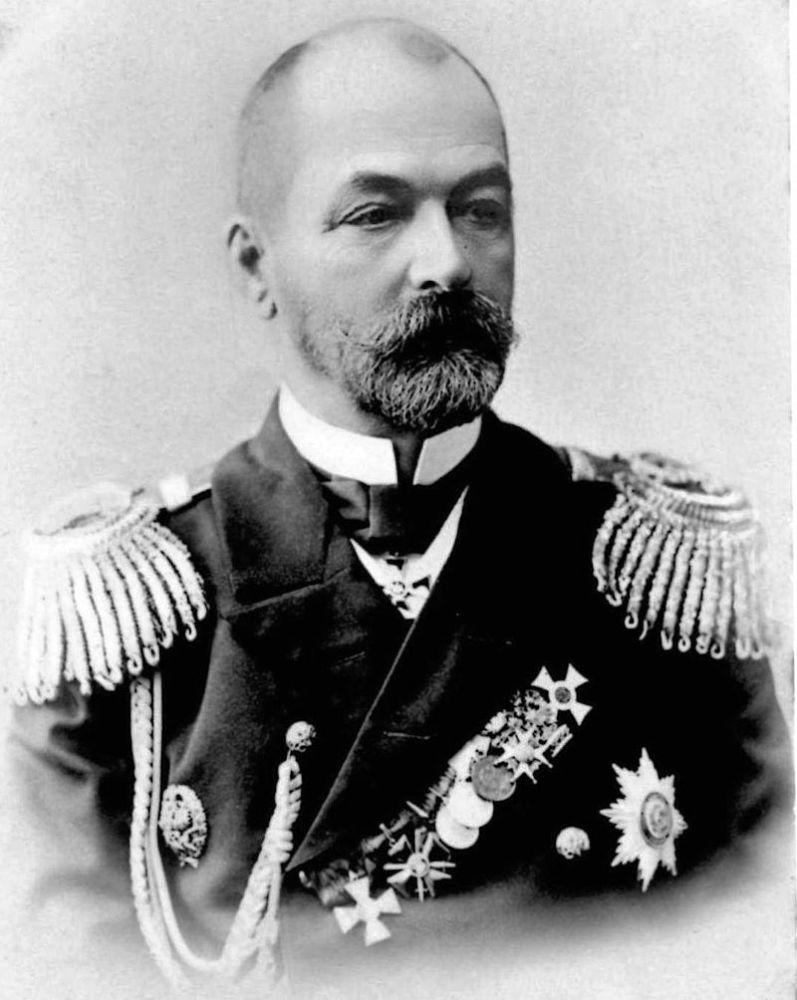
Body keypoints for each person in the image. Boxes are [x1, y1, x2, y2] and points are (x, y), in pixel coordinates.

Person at [7, 16, 789, 999]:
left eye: (480, 209)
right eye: (375, 214)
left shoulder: (659, 581)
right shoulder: (130, 622)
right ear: (255, 267)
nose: (447, 262)